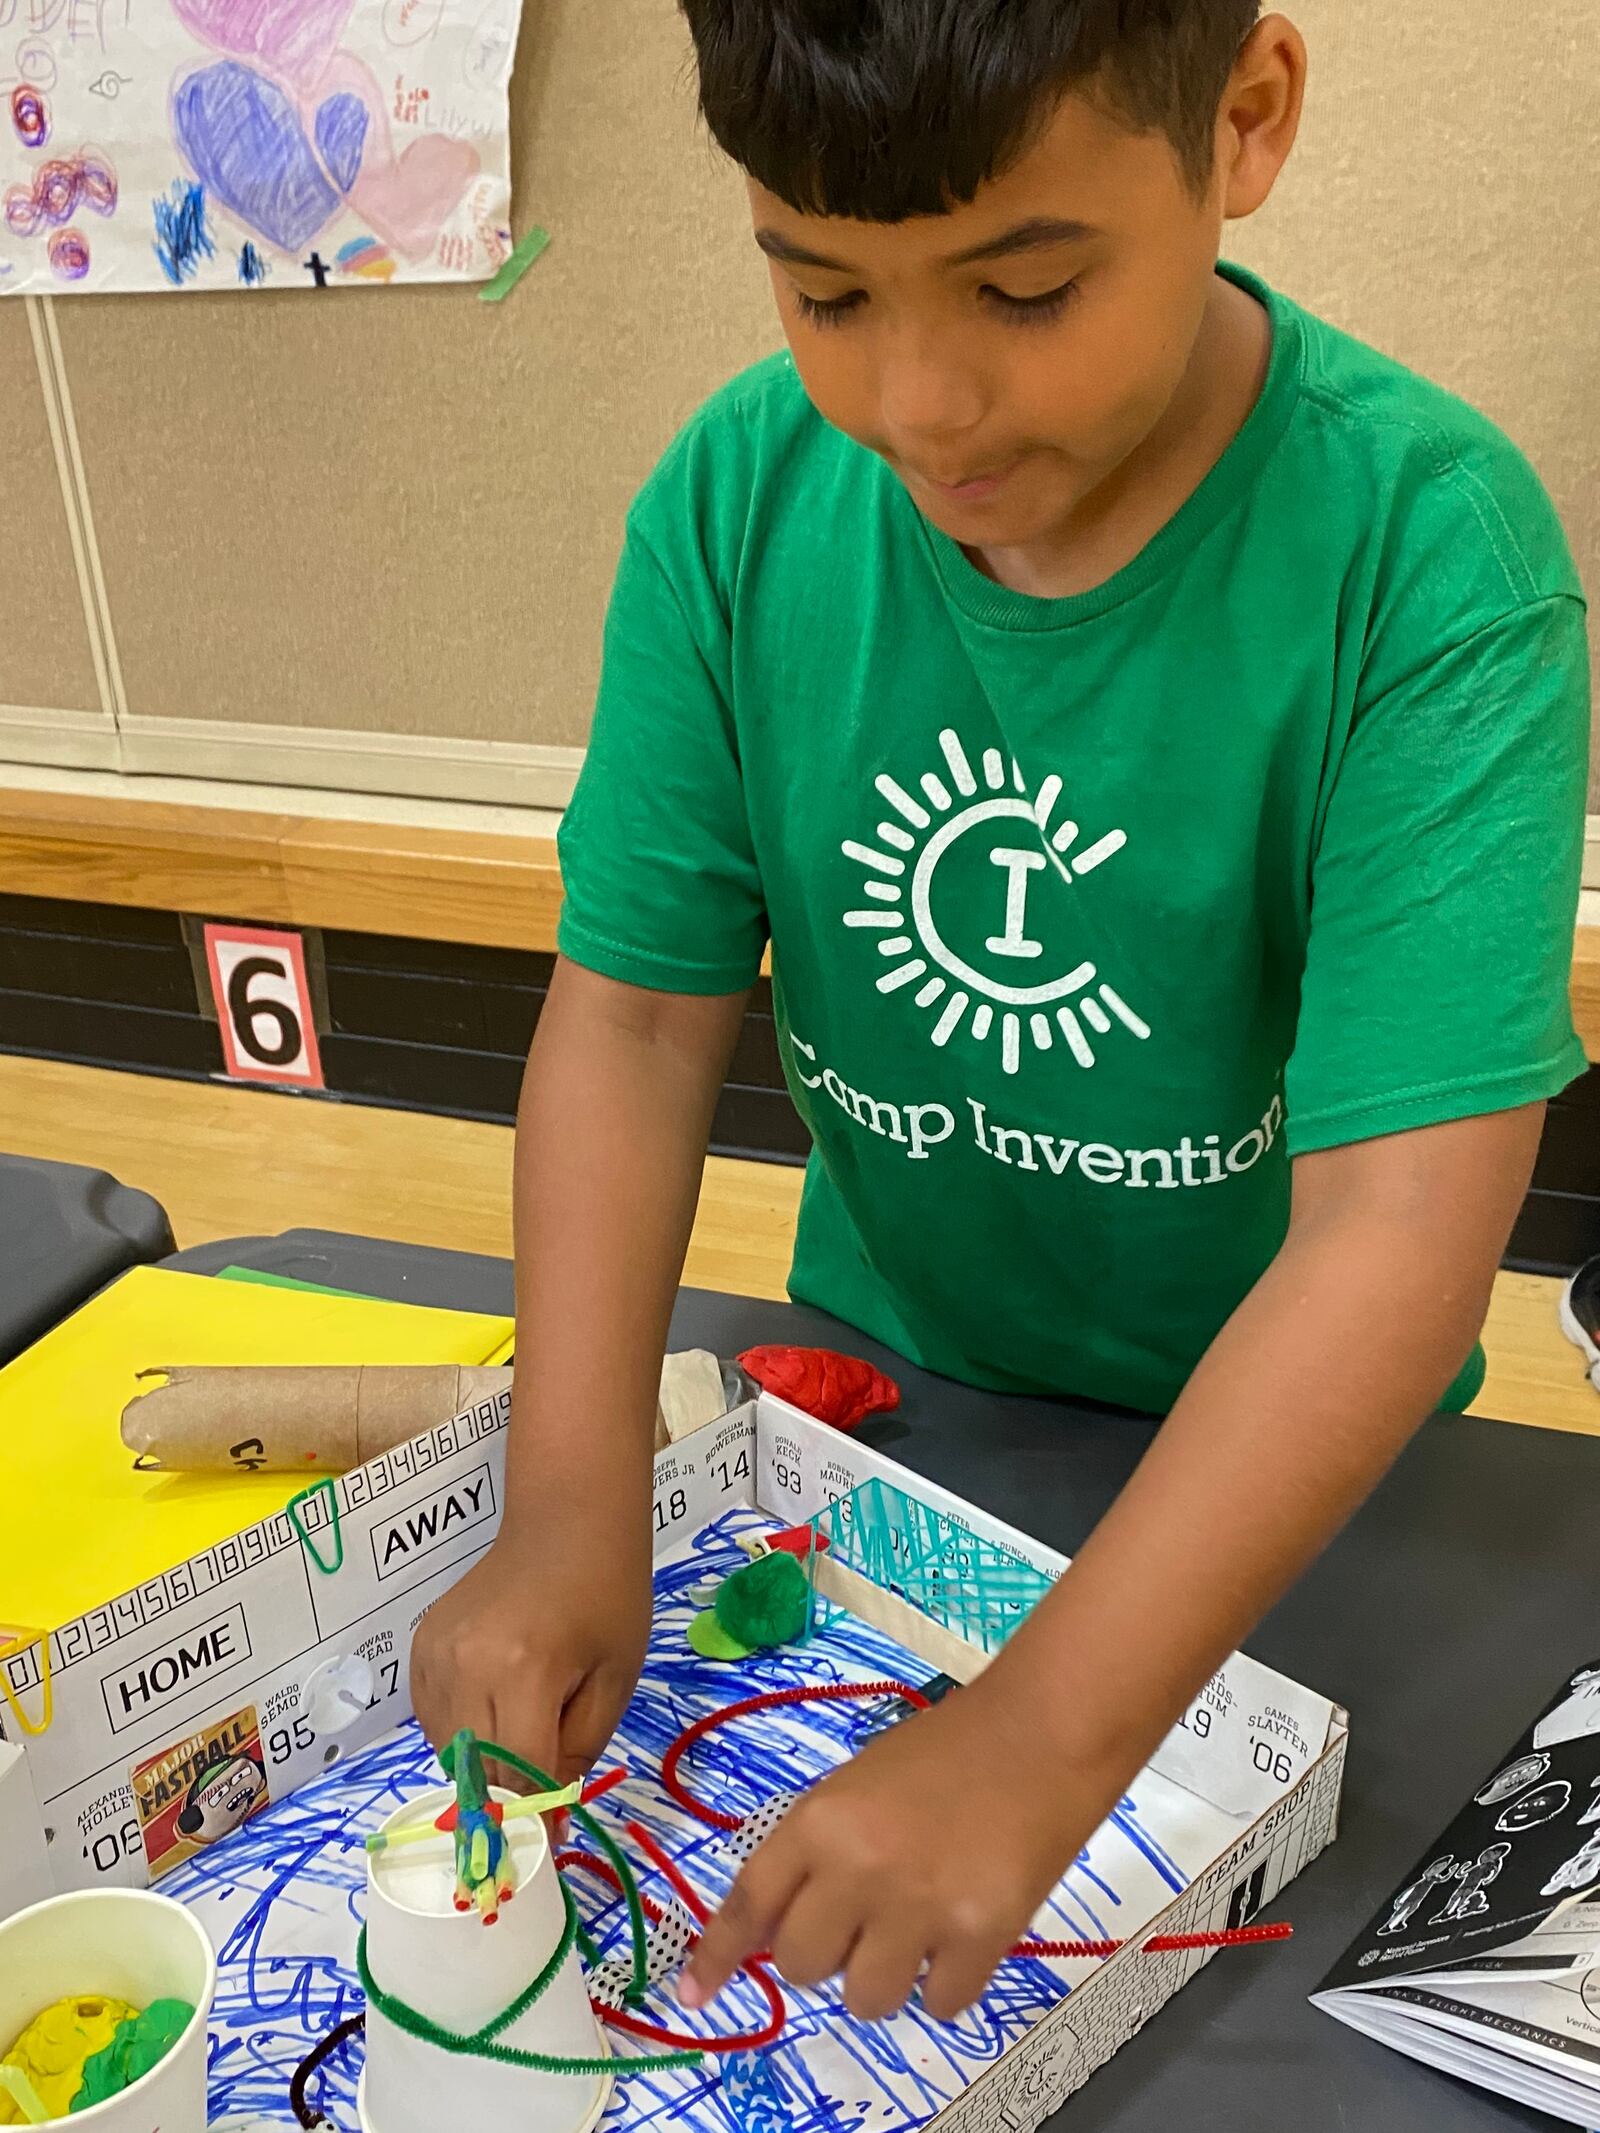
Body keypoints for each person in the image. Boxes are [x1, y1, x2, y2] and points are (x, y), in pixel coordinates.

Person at [412, 1, 1590, 2025]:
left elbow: (1398, 1226)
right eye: (819, 287)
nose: (921, 400)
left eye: (1024, 289)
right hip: (897, 1395)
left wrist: (1043, 1740)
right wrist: (572, 1495)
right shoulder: (736, 500)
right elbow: (627, 1023)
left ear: (1240, 119)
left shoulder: (1426, 555)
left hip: (1293, 1490)